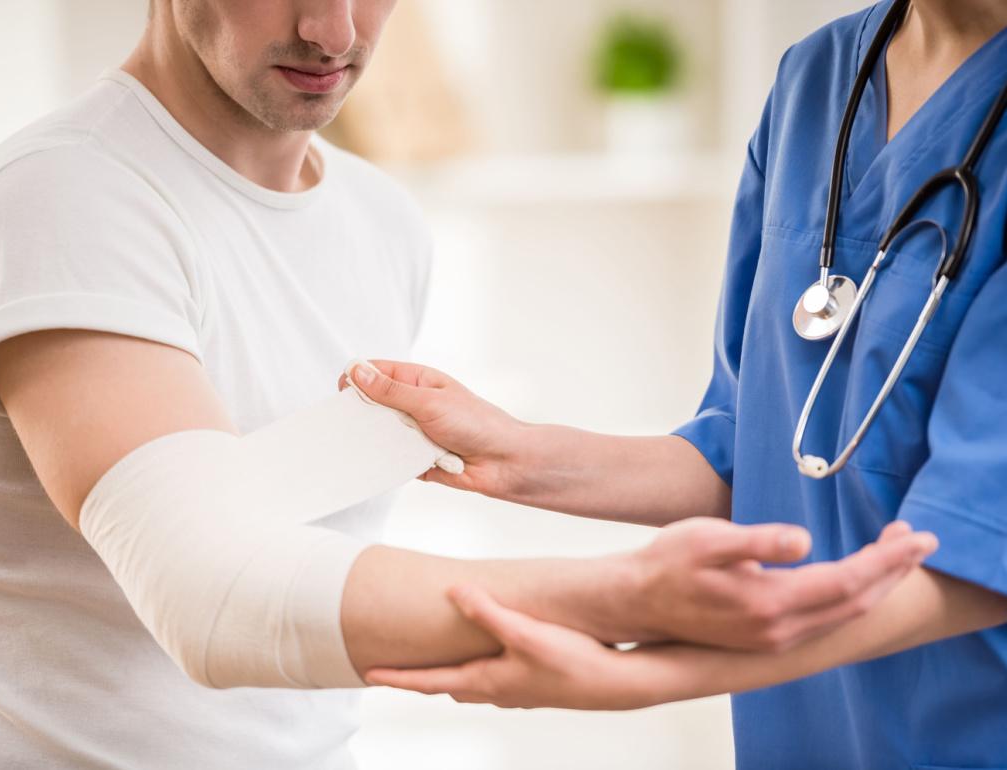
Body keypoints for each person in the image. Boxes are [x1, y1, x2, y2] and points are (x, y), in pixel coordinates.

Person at [0, 1, 937, 768]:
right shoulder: (66, 196)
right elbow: (212, 590)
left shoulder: (380, 220)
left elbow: (281, 530)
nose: (334, 31)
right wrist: (617, 597)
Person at [351, 1, 1007, 768]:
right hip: (793, 739)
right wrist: (520, 454)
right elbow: (749, 452)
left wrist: (639, 670)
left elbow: (974, 555)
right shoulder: (818, 78)